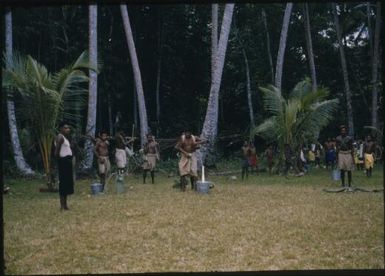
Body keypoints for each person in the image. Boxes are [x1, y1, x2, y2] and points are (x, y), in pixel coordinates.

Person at [54, 122, 74, 210]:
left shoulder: (65, 138)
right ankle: (62, 205)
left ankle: (65, 205)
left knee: (66, 184)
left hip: (68, 162)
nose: (68, 130)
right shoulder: (60, 137)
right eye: (66, 128)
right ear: (61, 129)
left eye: (68, 128)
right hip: (63, 162)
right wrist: (60, 162)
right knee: (63, 184)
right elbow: (56, 152)